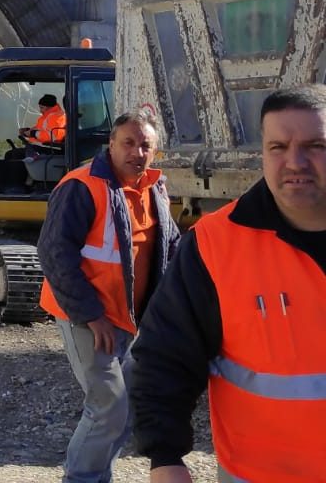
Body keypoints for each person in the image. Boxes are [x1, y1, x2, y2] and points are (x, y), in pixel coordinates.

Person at [130, 85, 326, 482]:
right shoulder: (216, 245)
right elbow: (163, 355)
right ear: (262, 154)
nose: (295, 161)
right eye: (278, 147)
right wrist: (164, 457)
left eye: (315, 145)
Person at [37, 108, 181, 483]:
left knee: (123, 407)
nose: (137, 152)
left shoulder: (155, 189)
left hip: (132, 319)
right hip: (89, 316)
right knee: (108, 407)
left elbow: (170, 249)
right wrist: (91, 314)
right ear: (111, 145)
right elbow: (55, 252)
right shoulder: (82, 186)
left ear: (155, 150)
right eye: (129, 143)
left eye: (145, 145)